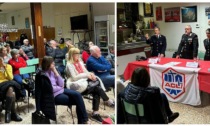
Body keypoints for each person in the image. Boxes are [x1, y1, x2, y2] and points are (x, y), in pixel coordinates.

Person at [65, 48, 114, 122]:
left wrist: (90, 74)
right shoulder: (69, 64)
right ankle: (105, 103)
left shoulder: (80, 62)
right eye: (77, 54)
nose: (79, 56)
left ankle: (96, 112)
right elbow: (74, 77)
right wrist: (86, 75)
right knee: (97, 88)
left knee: (97, 89)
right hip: (76, 85)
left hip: (84, 82)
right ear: (72, 55)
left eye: (79, 54)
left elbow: (86, 71)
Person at [40, 56, 90, 124]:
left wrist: (56, 72)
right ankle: (83, 122)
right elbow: (51, 89)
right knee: (77, 101)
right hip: (54, 95)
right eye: (52, 63)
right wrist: (60, 87)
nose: (54, 64)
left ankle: (84, 119)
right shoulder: (43, 75)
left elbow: (62, 83)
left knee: (78, 95)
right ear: (47, 64)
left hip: (61, 90)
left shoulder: (52, 71)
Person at [0, 57, 23, 123]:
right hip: (0, 85)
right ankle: (12, 113)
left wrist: (5, 68)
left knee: (11, 90)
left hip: (8, 84)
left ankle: (8, 113)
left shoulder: (8, 66)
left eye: (1, 61)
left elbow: (10, 78)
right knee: (12, 89)